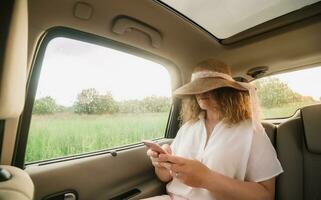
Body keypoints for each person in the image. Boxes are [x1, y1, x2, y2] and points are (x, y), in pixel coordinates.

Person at [144, 59, 283, 200]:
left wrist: (208, 179)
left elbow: (266, 195)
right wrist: (160, 165)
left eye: (209, 86)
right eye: (196, 87)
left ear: (227, 91)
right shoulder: (188, 127)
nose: (201, 91)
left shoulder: (251, 130)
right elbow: (166, 177)